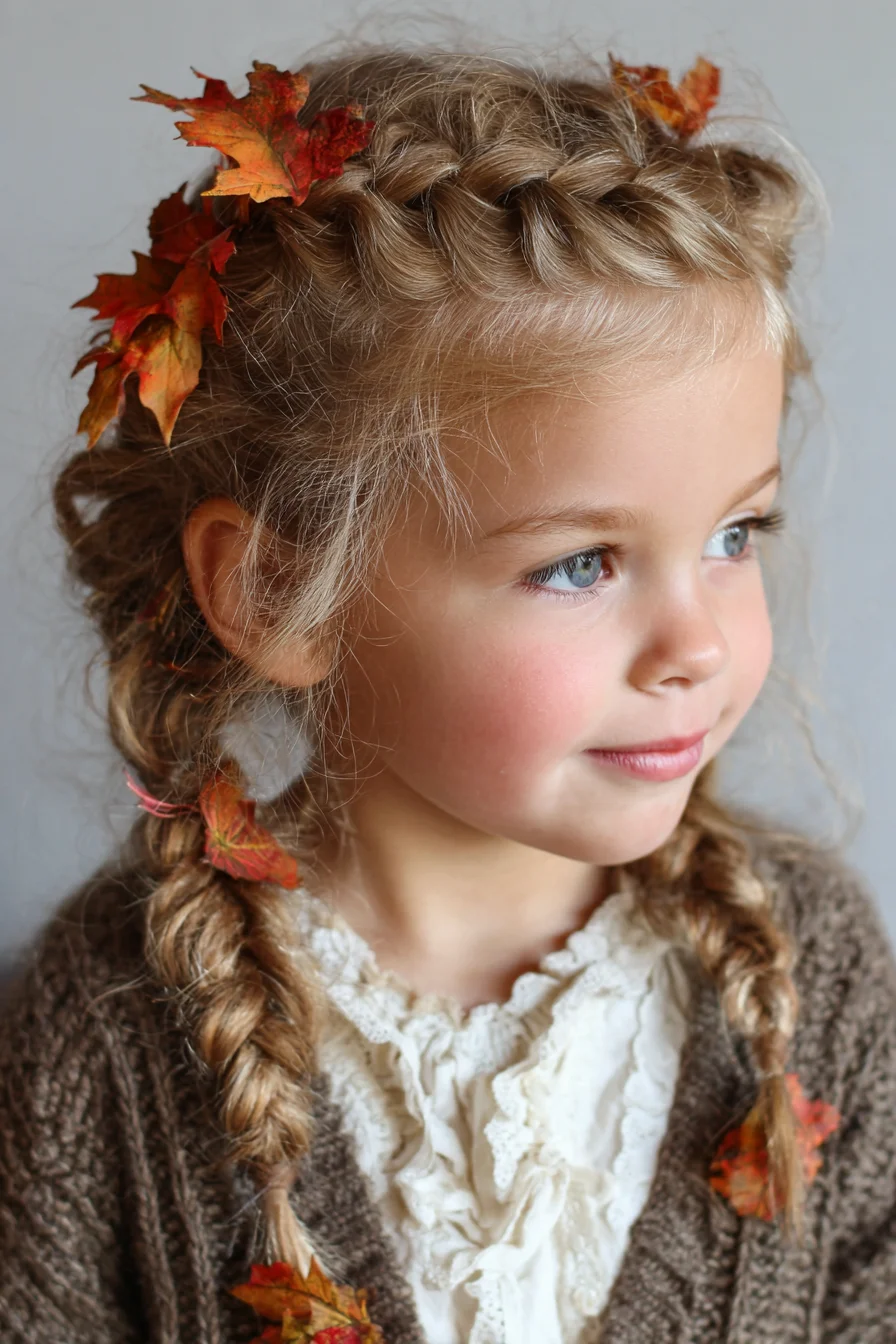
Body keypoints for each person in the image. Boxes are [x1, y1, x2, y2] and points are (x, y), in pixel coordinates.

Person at [1, 39, 894, 1344]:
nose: (696, 643)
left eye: (733, 535)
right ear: (276, 595)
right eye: (583, 563)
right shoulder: (107, 1035)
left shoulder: (810, 982)